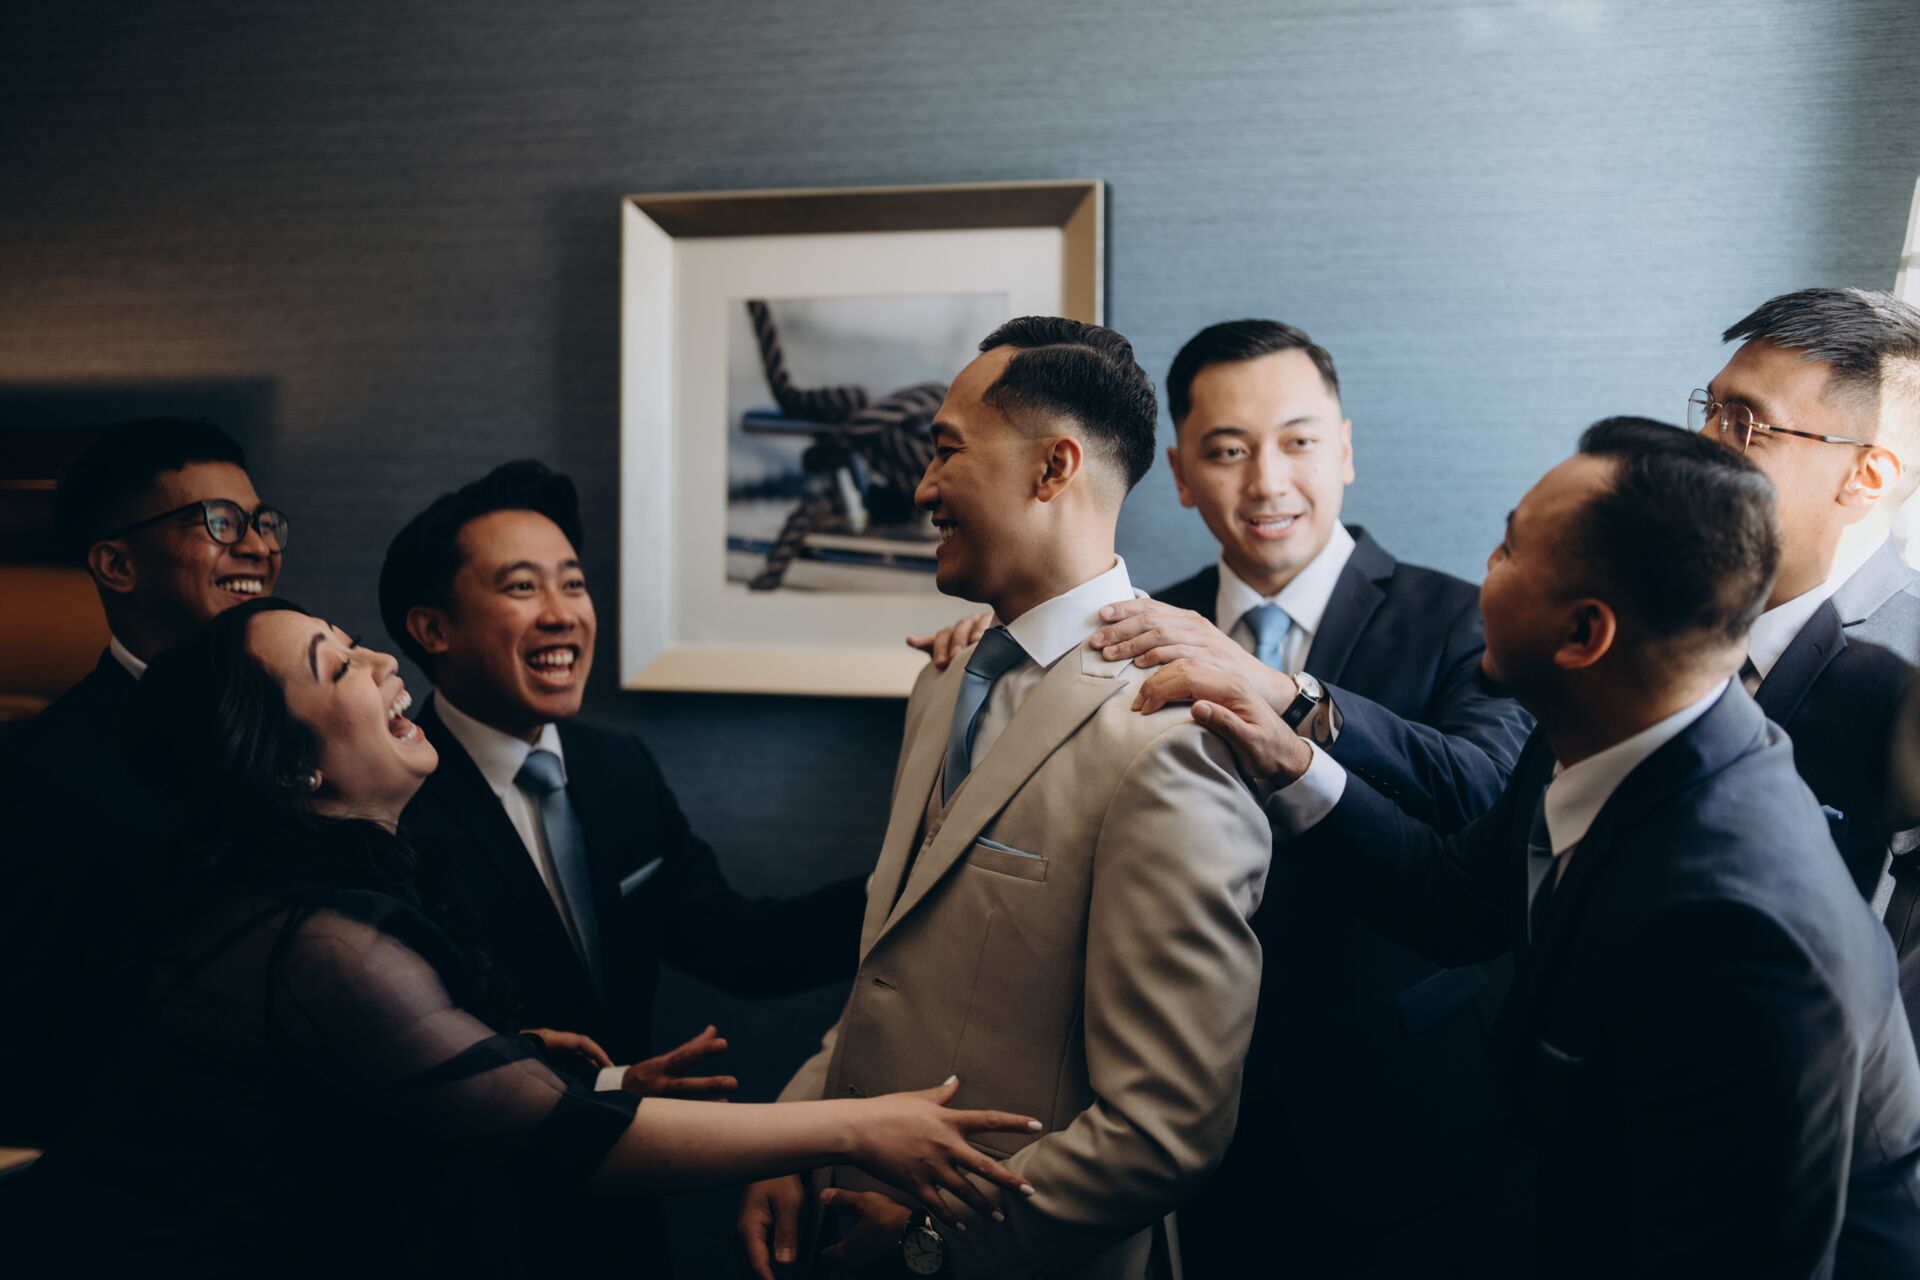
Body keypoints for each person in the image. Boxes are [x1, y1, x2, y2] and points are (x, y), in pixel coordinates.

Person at [2, 597, 1042, 1278]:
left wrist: (570, 1071)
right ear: (289, 767)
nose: (378, 660)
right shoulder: (326, 951)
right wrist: (853, 1127)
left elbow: (383, 1087)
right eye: (336, 664)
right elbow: (577, 1145)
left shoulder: (336, 888)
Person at [1170, 418, 1920, 1277]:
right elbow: (1456, 899)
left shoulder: (1737, 926)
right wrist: (1294, 767)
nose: (1484, 571)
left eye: (1509, 550)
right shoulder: (1600, 725)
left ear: (1583, 636)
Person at [917, 319, 1533, 1276]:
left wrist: (1286, 694)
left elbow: (1485, 798)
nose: (1267, 483)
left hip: (1404, 1115)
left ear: (1345, 450)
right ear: (1177, 473)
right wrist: (993, 653)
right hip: (1178, 1137)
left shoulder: (1464, 617)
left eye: (1298, 442)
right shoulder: (1127, 623)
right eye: (1228, 451)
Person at [736, 318, 1271, 1280]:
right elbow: (894, 969)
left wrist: (933, 1238)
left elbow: (1168, 1127)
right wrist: (795, 1134)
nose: (921, 487)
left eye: (945, 450)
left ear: (1053, 467)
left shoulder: (1170, 741)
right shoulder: (944, 681)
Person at [378, 461, 870, 1265]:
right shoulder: (391, 798)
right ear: (432, 629)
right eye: (521, 587)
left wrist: (919, 885)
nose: (562, 613)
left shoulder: (618, 770)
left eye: (573, 584)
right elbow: (417, 1053)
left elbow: (743, 945)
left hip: (626, 1226)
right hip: (465, 1228)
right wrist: (604, 1090)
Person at [0, 417, 286, 1145]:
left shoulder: (313, 725)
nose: (259, 547)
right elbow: (40, 1031)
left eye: (262, 522)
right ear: (117, 565)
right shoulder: (39, 773)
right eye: (219, 522)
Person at [1690, 287, 1920, 1026]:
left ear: (1867, 476)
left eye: (1745, 422)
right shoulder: (1662, 605)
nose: (1702, 443)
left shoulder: (1907, 678)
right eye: (1710, 408)